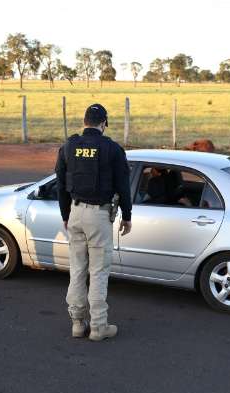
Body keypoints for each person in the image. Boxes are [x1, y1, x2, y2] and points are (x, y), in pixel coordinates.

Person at [55, 104, 132, 341]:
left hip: (75, 212)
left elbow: (60, 183)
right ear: (103, 124)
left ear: (84, 121)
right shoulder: (112, 149)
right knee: (98, 272)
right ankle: (98, 327)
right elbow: (123, 185)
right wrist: (127, 216)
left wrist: (66, 215)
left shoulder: (69, 146)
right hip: (99, 216)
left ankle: (78, 323)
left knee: (77, 270)